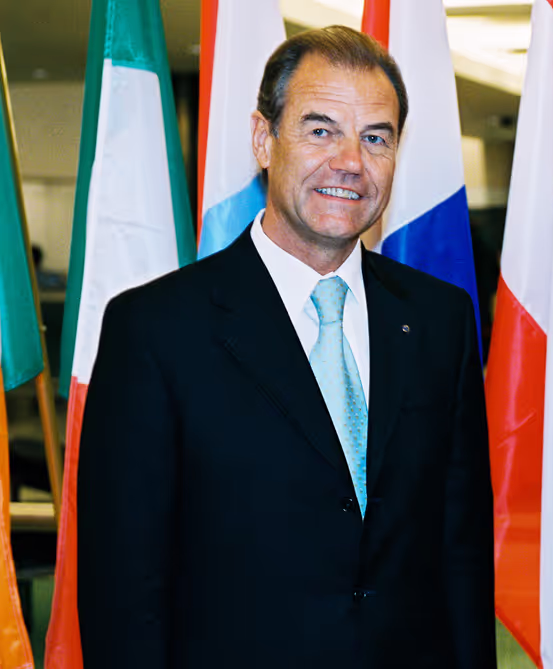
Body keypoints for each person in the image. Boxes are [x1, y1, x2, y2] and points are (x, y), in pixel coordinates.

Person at [77, 26, 496, 668]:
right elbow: (124, 590)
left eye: (375, 137)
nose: (351, 161)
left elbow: (459, 553)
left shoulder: (440, 319)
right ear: (262, 140)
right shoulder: (156, 330)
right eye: (321, 129)